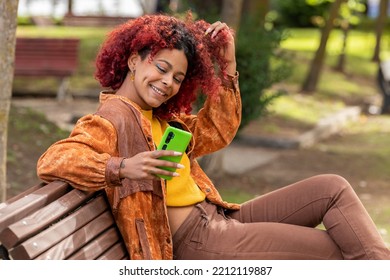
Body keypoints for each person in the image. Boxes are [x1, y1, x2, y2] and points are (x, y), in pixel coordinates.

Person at [37, 13, 390, 260]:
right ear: (133, 60)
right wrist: (123, 167)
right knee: (339, 252)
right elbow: (54, 160)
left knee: (332, 188)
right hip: (199, 242)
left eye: (177, 77)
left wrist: (228, 68)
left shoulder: (160, 118)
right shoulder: (112, 118)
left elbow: (216, 131)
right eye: (161, 68)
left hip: (219, 219)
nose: (167, 83)